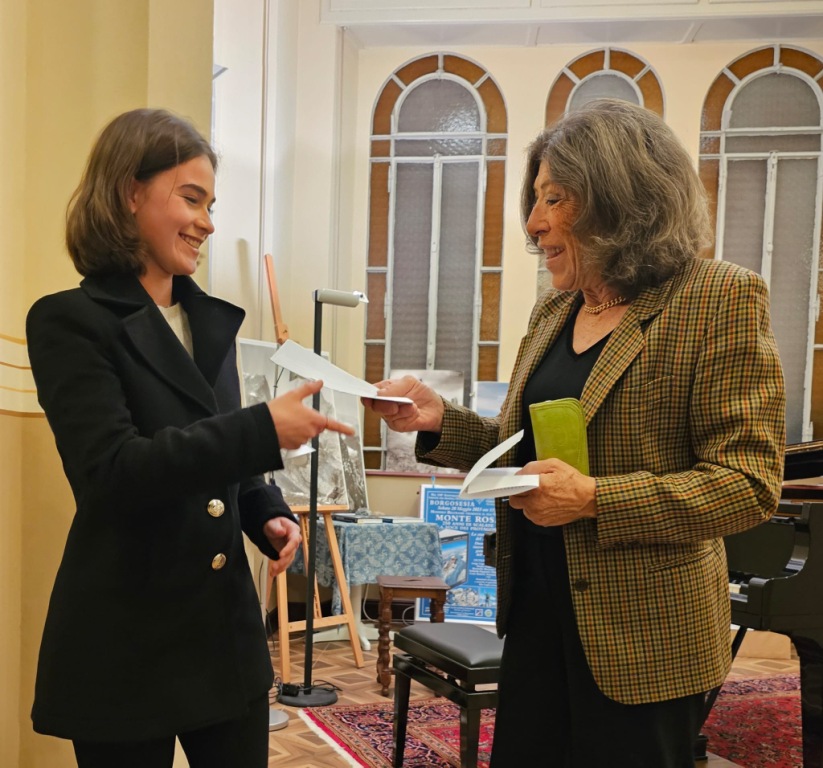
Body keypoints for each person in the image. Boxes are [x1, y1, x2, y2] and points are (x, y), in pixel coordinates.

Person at [365, 99, 786, 767]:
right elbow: (522, 453)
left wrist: (593, 499)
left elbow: (747, 485)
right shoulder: (554, 309)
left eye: (553, 199)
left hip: (644, 641)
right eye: (535, 200)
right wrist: (438, 420)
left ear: (620, 199)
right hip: (535, 617)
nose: (533, 223)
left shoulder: (718, 297)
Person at [26, 108, 353, 768]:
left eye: (210, 204)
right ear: (130, 192)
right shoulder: (69, 321)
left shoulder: (208, 323)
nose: (207, 222)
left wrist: (263, 511)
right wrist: (261, 429)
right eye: (191, 198)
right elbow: (112, 473)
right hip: (125, 641)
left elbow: (220, 460)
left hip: (222, 641)